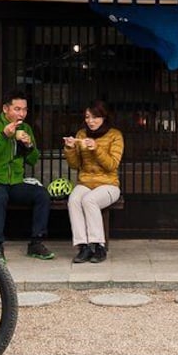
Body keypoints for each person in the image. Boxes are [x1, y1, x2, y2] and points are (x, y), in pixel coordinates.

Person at [0, 89, 54, 261]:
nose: (22, 113)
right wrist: (4, 136)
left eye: (25, 109)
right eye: (17, 109)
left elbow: (33, 160)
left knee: (41, 195)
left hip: (15, 182)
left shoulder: (26, 128)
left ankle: (36, 243)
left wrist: (29, 145)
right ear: (6, 109)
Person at [63, 99, 124, 264]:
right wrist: (69, 148)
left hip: (109, 185)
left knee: (89, 200)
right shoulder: (81, 134)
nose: (91, 121)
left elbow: (112, 165)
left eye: (95, 117)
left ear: (104, 117)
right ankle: (83, 246)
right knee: (74, 200)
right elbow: (75, 164)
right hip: (85, 182)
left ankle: (98, 246)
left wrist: (96, 148)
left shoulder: (115, 135)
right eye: (88, 117)